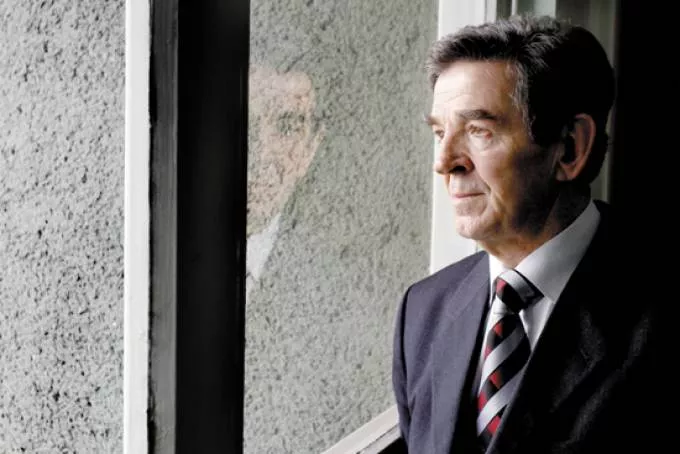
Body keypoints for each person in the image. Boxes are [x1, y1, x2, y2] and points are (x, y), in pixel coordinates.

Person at [392, 14, 661, 453]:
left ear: (570, 148)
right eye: (440, 132)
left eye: (479, 131)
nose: (444, 162)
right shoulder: (423, 310)